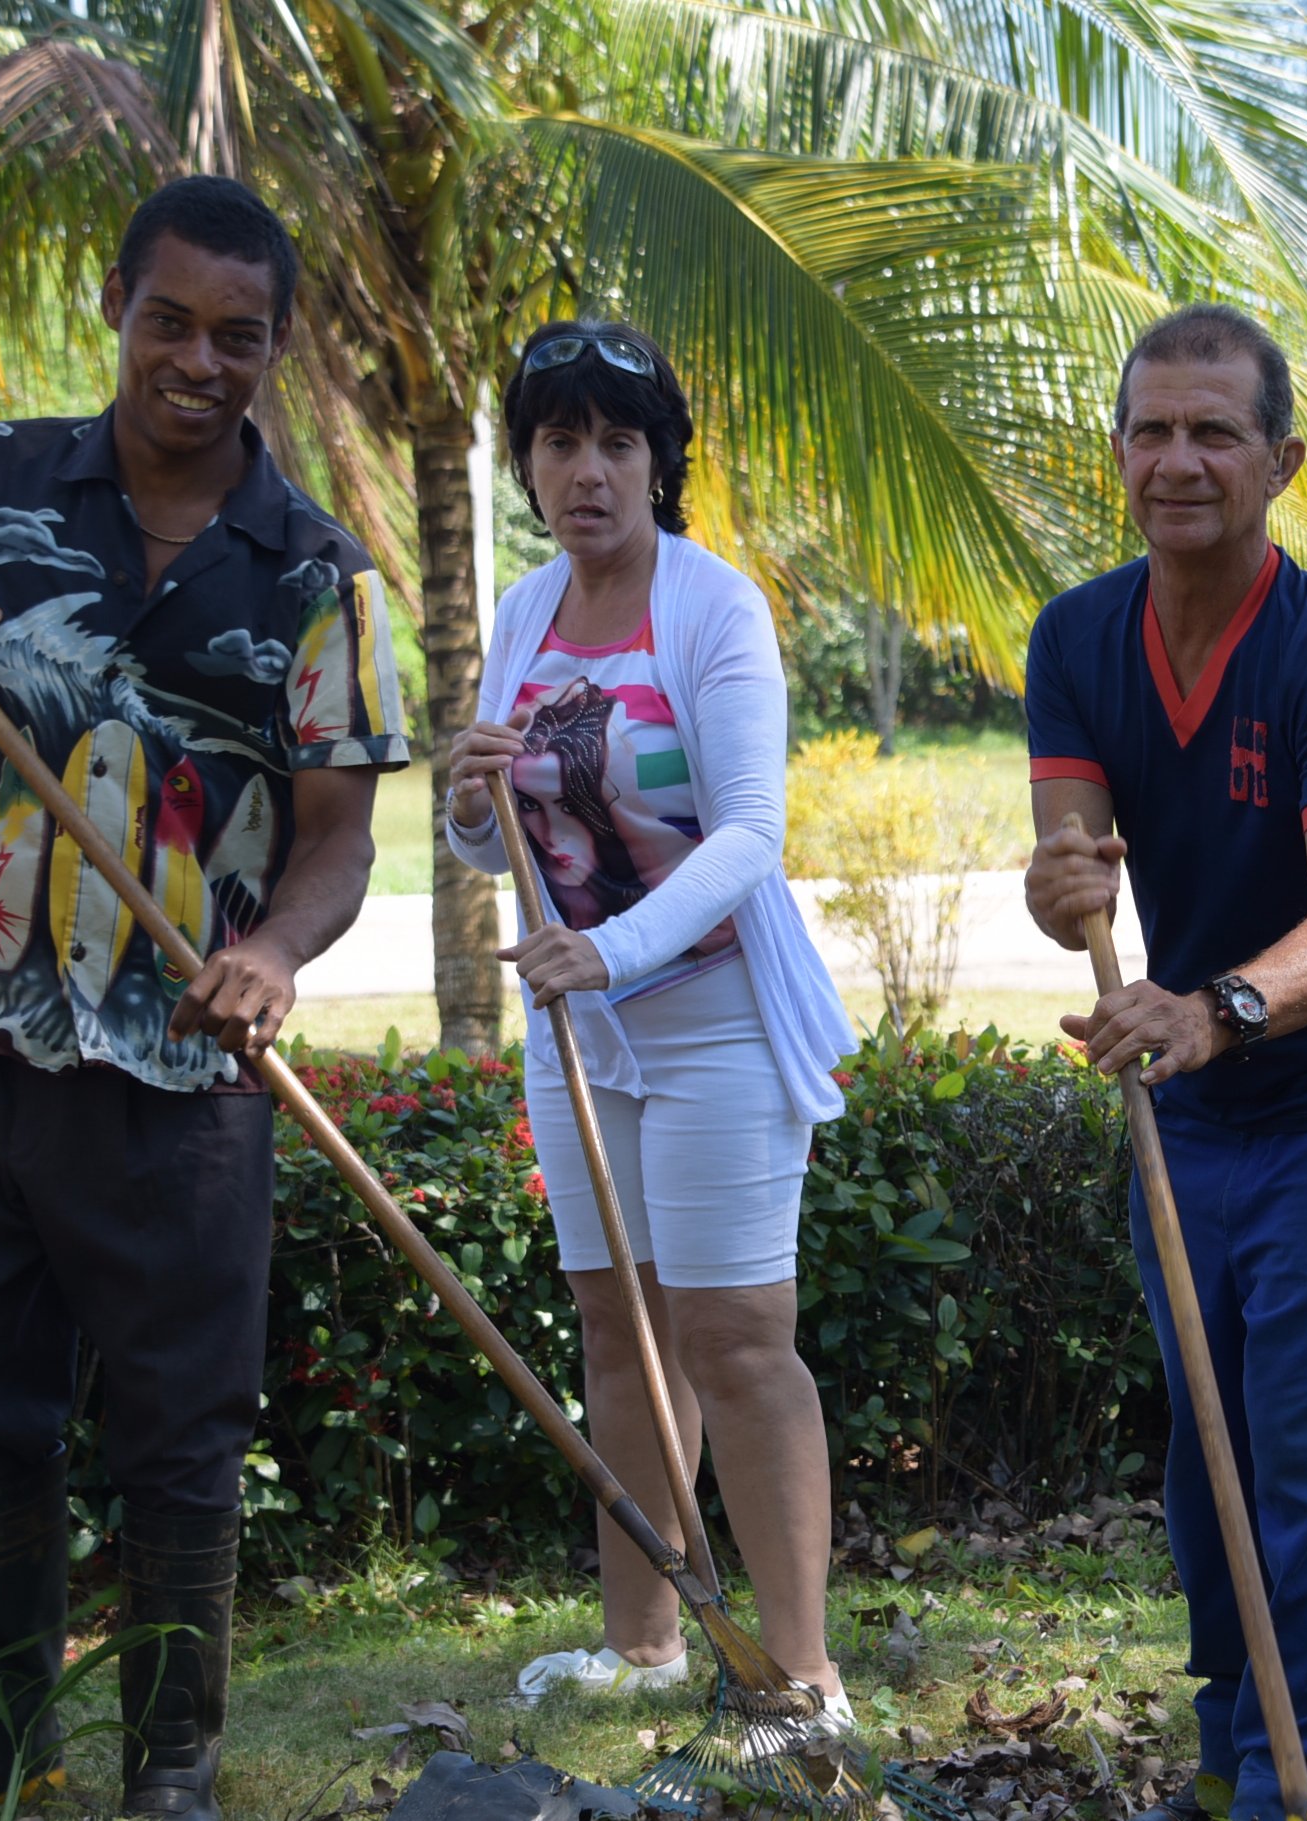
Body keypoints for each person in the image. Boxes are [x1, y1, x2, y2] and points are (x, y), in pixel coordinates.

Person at [0, 176, 409, 1820]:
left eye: (239, 336)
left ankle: (175, 1755)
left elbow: (336, 844)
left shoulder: (317, 574)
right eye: (171, 320)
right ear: (115, 306)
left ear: (273, 350)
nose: (198, 361)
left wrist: (276, 953)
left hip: (182, 1066)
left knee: (178, 1421)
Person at [1019, 303, 1307, 1821]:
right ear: (1120, 453)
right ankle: (1232, 1749)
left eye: (1213, 431)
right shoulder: (1076, 636)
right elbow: (1068, 852)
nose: (1177, 459)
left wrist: (1215, 1008)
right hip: (1195, 1109)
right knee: (1215, 1450)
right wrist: (1056, 889)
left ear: (1279, 459)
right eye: (1150, 429)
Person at [441, 320, 859, 1719]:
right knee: (614, 1330)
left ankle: (801, 1676)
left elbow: (749, 836)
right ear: (531, 462)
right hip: (584, 1037)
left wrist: (605, 951)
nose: (588, 470)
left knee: (734, 1336)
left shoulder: (713, 605)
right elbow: (508, 841)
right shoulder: (519, 614)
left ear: (659, 461)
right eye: (560, 440)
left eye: (618, 441)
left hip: (715, 1019)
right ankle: (643, 1645)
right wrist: (462, 804)